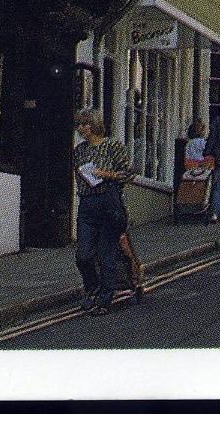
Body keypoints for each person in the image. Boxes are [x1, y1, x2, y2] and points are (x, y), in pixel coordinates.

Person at [73, 109, 134, 314]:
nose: (81, 128)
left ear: (94, 125)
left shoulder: (113, 146)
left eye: (84, 124)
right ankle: (93, 289)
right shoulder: (79, 151)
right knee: (83, 255)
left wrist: (104, 174)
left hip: (108, 202)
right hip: (87, 205)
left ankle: (104, 300)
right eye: (79, 125)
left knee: (106, 255)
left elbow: (128, 173)